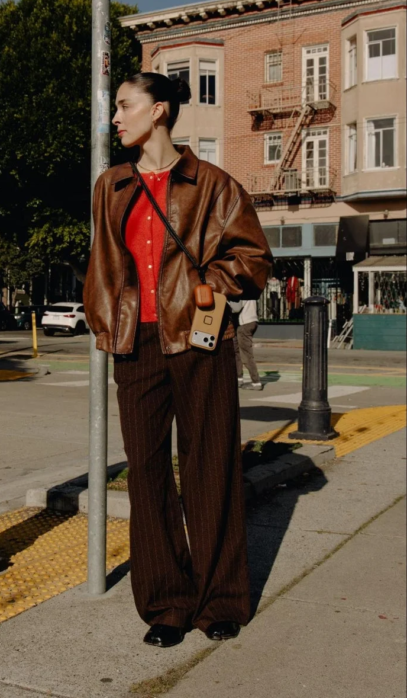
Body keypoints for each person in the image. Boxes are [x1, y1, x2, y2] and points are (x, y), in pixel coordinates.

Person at [84, 72, 272, 649]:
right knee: (145, 473)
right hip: (133, 342)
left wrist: (211, 282)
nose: (115, 118)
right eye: (115, 108)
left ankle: (219, 599)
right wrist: (101, 315)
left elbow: (254, 258)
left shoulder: (214, 184)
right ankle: (167, 602)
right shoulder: (110, 184)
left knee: (209, 467)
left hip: (197, 338)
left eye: (125, 105)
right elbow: (104, 260)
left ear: (159, 110)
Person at [233, 299, 263, 390]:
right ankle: (239, 378)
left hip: (244, 323)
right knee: (237, 351)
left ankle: (256, 382)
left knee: (246, 355)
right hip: (251, 321)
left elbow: (236, 308)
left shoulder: (243, 290)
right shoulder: (251, 289)